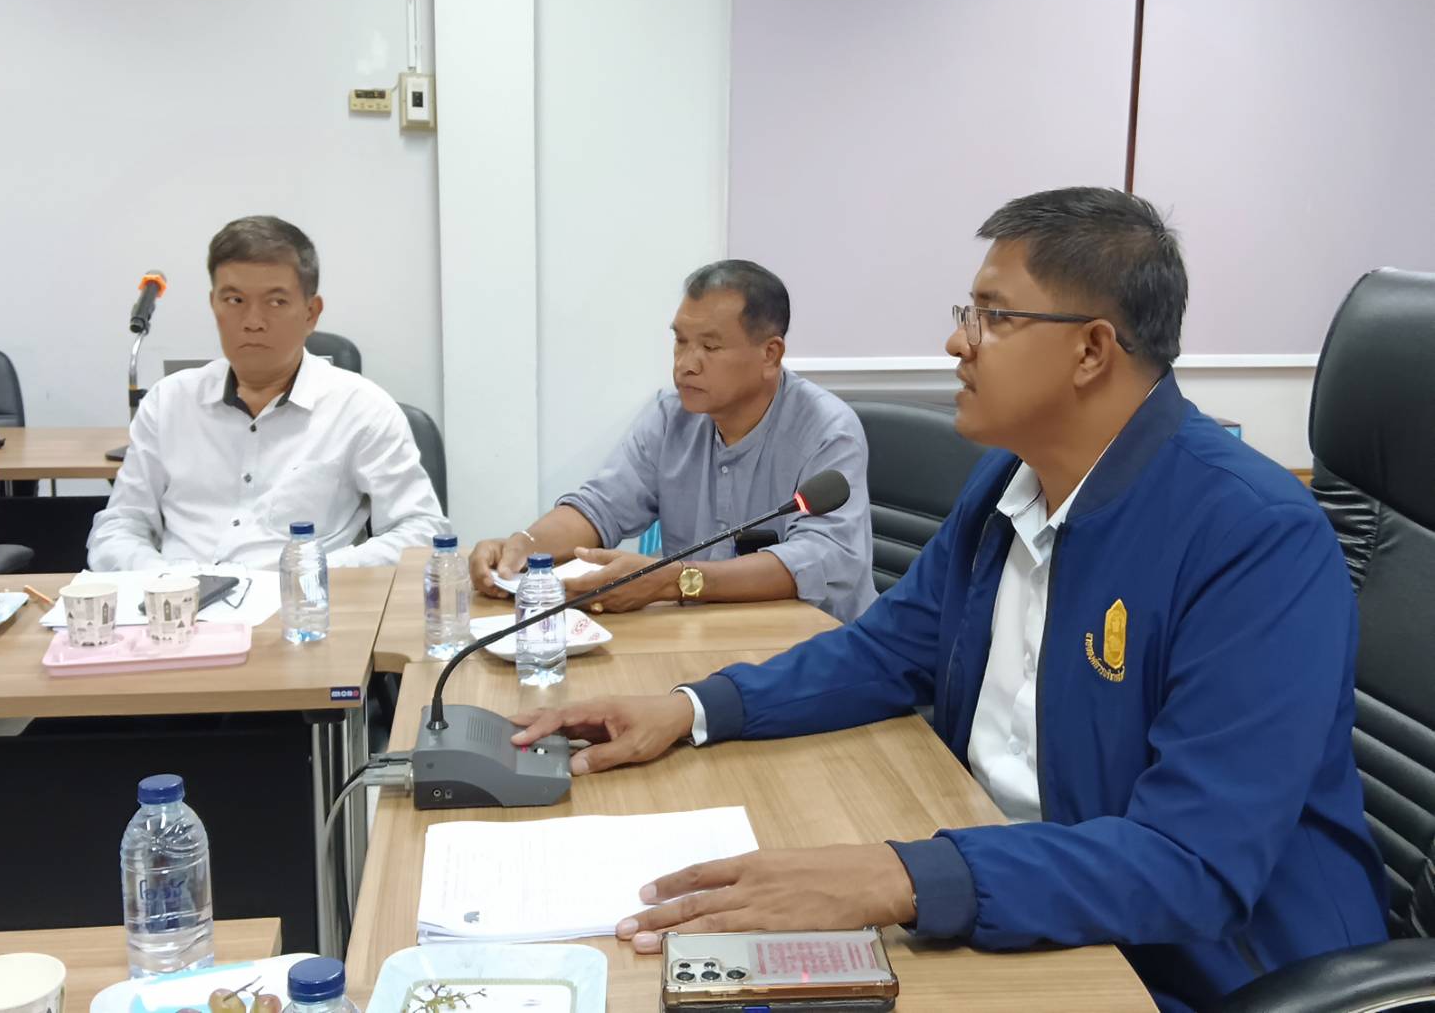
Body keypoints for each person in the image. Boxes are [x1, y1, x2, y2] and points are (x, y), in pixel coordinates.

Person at [508, 189, 1388, 1012]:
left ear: (1090, 350)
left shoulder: (1251, 536)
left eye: (991, 317)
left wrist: (897, 878)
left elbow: (1191, 861)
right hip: (1012, 894)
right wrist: (691, 708)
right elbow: (884, 650)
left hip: (1199, 969)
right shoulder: (1008, 483)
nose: (956, 343)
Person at [469, 260, 876, 623]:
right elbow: (601, 507)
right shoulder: (671, 415)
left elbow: (820, 558)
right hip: (702, 633)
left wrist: (674, 581)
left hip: (812, 647)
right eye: (680, 341)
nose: (685, 364)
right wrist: (524, 547)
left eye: (709, 347)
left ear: (770, 354)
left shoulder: (827, 430)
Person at [88, 215, 444, 570]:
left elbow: (421, 531)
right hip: (179, 599)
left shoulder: (361, 409)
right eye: (235, 300)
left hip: (302, 599)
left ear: (311, 313)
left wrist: (314, 573)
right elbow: (120, 526)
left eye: (275, 302)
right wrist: (168, 581)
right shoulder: (168, 402)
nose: (253, 321)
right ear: (214, 304)